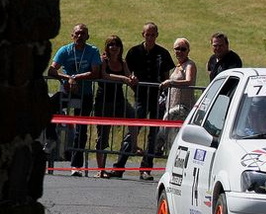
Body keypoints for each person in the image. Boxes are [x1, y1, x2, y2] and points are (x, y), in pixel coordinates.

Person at [110, 22, 175, 180]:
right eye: (147, 34)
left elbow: (166, 75)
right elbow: (127, 71)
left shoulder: (163, 53)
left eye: (153, 35)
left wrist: (164, 92)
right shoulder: (134, 52)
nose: (150, 37)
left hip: (157, 98)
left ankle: (146, 169)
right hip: (140, 97)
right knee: (132, 130)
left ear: (157, 35)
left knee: (153, 135)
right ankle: (119, 166)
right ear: (143, 35)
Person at [47, 23, 102, 177]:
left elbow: (95, 72)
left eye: (83, 33)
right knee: (47, 108)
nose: (79, 36)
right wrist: (67, 78)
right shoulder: (65, 50)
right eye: (77, 33)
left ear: (87, 36)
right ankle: (51, 137)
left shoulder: (92, 51)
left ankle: (76, 165)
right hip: (66, 91)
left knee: (81, 130)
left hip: (85, 94)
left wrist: (76, 78)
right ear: (72, 35)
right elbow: (52, 70)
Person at [94, 35, 138, 178]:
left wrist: (132, 79)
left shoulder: (122, 62)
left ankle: (133, 145)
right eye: (111, 45)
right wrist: (124, 79)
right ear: (107, 46)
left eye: (117, 45)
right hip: (104, 101)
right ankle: (101, 170)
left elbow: (128, 78)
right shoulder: (103, 60)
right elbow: (104, 75)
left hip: (119, 100)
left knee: (133, 116)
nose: (114, 47)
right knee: (103, 136)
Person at [155, 37, 197, 160]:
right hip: (172, 104)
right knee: (172, 138)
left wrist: (171, 82)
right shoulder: (178, 66)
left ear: (188, 50)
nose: (180, 51)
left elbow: (189, 81)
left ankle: (159, 147)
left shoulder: (190, 65)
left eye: (183, 49)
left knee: (168, 128)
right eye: (177, 49)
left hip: (182, 107)